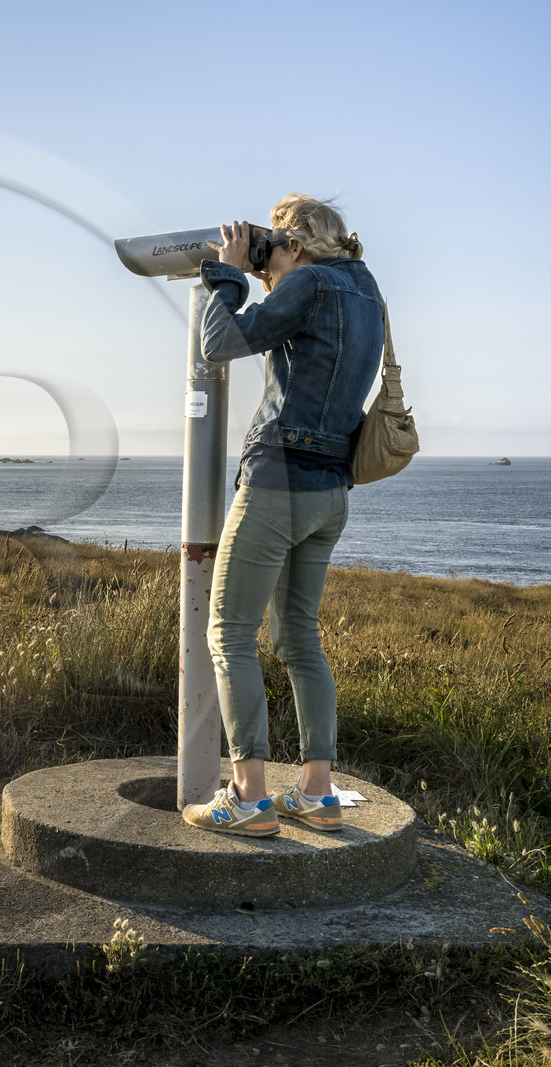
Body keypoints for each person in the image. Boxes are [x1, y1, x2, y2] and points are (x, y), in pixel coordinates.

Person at [180, 194, 385, 837]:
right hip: (332, 493)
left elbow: (218, 343)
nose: (268, 259)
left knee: (229, 634)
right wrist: (267, 275)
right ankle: (318, 795)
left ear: (295, 245)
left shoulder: (309, 284)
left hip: (277, 484)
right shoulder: (366, 289)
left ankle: (248, 799)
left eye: (274, 246)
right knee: (300, 639)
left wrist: (229, 273)